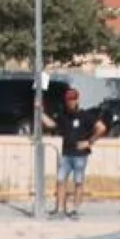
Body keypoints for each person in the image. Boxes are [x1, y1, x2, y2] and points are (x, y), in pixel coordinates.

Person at [39, 88, 107, 219]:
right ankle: (59, 210)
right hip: (66, 154)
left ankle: (75, 210)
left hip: (80, 155)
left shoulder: (85, 115)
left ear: (77, 100)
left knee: (78, 182)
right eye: (69, 100)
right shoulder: (63, 115)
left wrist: (89, 142)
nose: (71, 102)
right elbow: (51, 124)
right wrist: (40, 113)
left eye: (73, 99)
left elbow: (102, 128)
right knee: (60, 180)